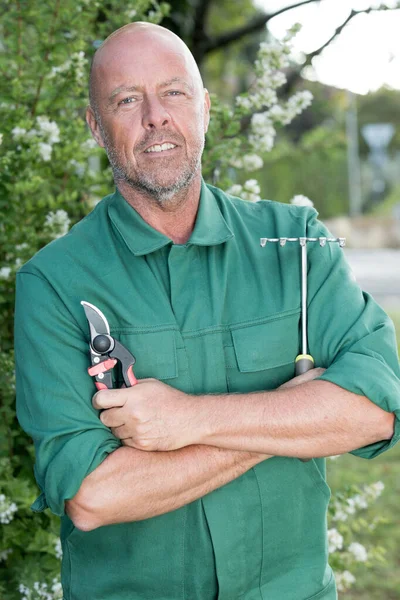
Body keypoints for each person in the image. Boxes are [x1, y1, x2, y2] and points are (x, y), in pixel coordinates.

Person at [15, 22, 400, 600]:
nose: (155, 116)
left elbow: (374, 412)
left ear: (205, 108)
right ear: (96, 127)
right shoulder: (53, 282)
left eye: (174, 92)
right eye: (126, 100)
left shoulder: (295, 244)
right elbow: (95, 496)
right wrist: (289, 415)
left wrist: (189, 420)